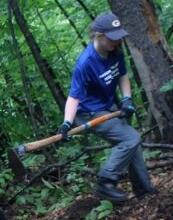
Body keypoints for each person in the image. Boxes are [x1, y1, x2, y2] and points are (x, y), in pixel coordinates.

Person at [56, 11, 155, 203]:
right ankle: (105, 182)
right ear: (99, 36)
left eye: (118, 38)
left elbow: (122, 75)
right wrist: (67, 123)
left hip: (108, 107)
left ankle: (145, 192)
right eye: (112, 38)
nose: (116, 42)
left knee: (132, 144)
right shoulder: (85, 63)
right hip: (89, 113)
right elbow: (73, 97)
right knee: (131, 138)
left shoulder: (115, 51)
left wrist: (127, 98)